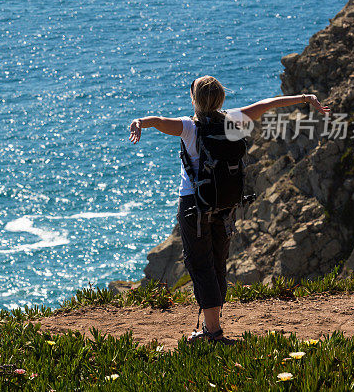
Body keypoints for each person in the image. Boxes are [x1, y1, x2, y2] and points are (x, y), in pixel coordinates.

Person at [128, 75, 330, 343]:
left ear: (194, 100)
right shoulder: (234, 119)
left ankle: (213, 332)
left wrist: (140, 122)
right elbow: (269, 104)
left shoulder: (188, 127)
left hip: (194, 205)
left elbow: (158, 121)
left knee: (200, 265)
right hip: (226, 204)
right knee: (217, 263)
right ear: (221, 98)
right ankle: (212, 325)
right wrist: (306, 98)